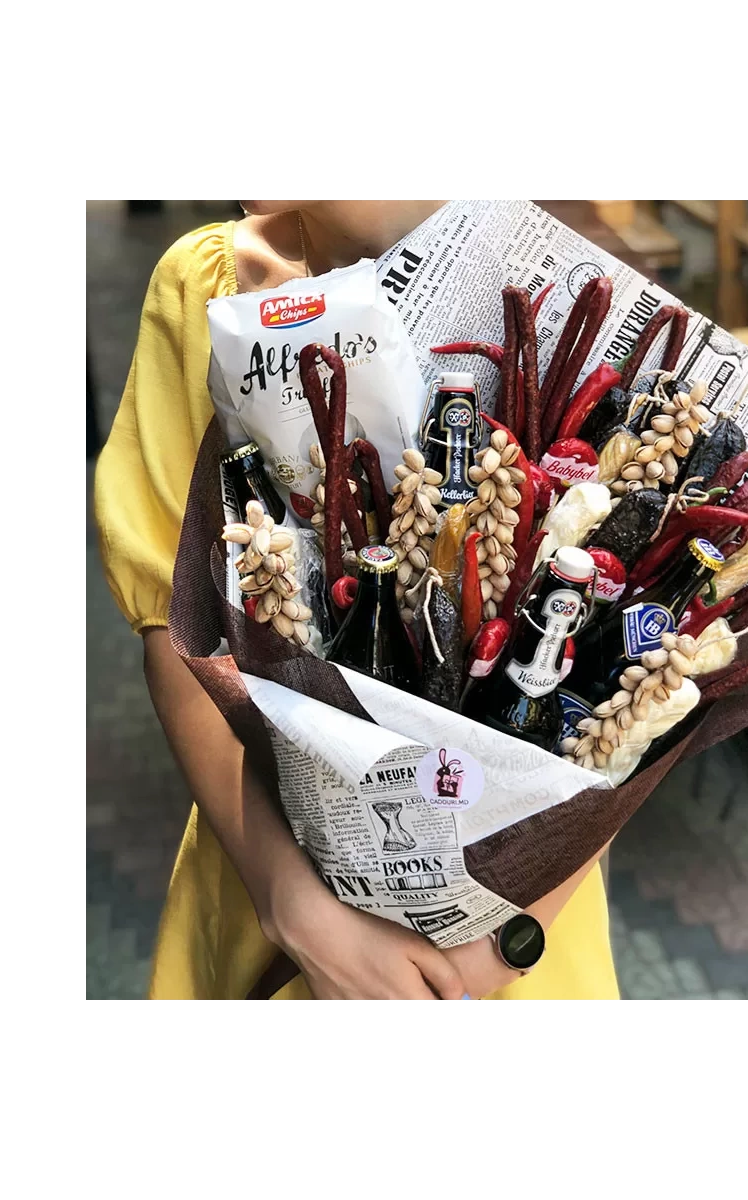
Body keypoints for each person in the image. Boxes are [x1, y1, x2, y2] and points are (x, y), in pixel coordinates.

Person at [94, 202, 620, 1000]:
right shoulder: (204, 289)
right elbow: (171, 624)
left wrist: (505, 945)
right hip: (263, 877)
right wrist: (292, 906)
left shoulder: (548, 279)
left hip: (514, 921)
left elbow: (622, 699)